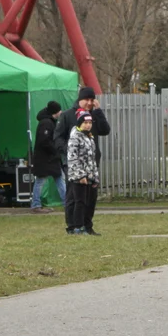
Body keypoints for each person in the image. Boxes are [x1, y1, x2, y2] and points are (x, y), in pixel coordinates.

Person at [55, 87, 111, 235]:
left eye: (92, 100)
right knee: (74, 196)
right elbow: (57, 138)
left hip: (91, 163)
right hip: (73, 163)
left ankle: (87, 226)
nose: (89, 103)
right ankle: (73, 226)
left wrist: (98, 112)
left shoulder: (93, 116)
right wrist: (70, 151)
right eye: (87, 100)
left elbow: (105, 130)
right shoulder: (67, 115)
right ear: (80, 99)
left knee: (90, 196)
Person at [66, 110, 99, 235]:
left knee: (90, 203)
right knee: (80, 202)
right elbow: (73, 158)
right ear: (80, 123)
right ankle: (77, 227)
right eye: (85, 122)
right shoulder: (75, 137)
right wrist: (80, 175)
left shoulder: (90, 137)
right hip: (79, 177)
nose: (88, 125)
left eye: (90, 122)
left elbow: (92, 159)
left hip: (90, 176)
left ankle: (88, 226)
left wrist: (95, 177)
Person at [31, 101, 65, 213]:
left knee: (57, 179)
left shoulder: (46, 121)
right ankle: (36, 204)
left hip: (47, 158)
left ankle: (67, 203)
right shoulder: (47, 123)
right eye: (59, 110)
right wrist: (55, 151)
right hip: (46, 158)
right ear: (55, 112)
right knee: (51, 180)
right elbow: (44, 141)